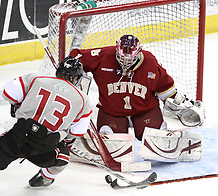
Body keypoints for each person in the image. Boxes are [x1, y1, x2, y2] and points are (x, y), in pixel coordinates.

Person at [69, 34, 204, 141]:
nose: (125, 62)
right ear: (116, 50)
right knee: (111, 142)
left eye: (130, 59)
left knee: (157, 138)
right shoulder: (104, 55)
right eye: (122, 58)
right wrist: (71, 70)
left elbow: (165, 87)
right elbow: (77, 56)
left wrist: (180, 103)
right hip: (112, 112)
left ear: (139, 52)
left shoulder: (150, 62)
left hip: (144, 111)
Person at [0, 56, 92, 187]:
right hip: (44, 149)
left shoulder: (36, 79)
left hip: (18, 138)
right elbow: (76, 133)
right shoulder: (83, 100)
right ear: (76, 77)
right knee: (64, 157)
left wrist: (18, 107)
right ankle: (45, 178)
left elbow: (8, 92)